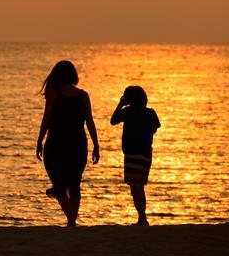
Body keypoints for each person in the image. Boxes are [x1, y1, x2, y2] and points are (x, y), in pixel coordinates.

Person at [36, 60, 100, 226]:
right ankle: (72, 220)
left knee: (59, 184)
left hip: (56, 144)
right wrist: (96, 145)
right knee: (74, 184)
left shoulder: (53, 92)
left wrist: (39, 140)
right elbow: (90, 123)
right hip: (78, 144)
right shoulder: (83, 95)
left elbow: (47, 118)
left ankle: (71, 220)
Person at [110, 85, 161, 225]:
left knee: (135, 188)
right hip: (145, 154)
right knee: (139, 186)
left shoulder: (127, 111)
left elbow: (113, 120)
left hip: (132, 154)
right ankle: (142, 217)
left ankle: (142, 218)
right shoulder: (150, 113)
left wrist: (120, 104)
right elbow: (155, 128)